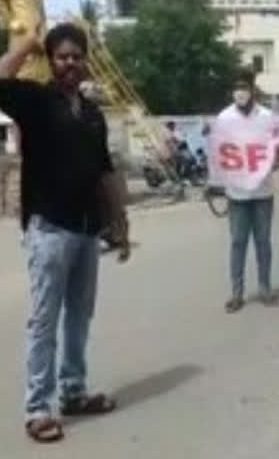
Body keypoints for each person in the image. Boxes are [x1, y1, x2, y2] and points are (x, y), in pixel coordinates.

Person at [0, 23, 130, 443]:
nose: (71, 63)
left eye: (77, 56)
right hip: (50, 229)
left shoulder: (92, 114)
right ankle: (38, 408)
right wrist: (27, 44)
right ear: (51, 61)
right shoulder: (36, 101)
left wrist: (120, 222)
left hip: (88, 230)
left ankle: (74, 392)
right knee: (44, 320)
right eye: (62, 56)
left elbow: (105, 171)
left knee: (79, 317)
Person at [217, 69, 279, 313]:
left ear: (252, 89)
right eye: (236, 87)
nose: (240, 92)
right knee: (237, 242)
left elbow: (277, 147)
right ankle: (237, 293)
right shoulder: (224, 118)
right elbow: (218, 153)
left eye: (244, 87)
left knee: (263, 242)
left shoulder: (267, 116)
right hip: (237, 194)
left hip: (263, 191)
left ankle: (265, 289)